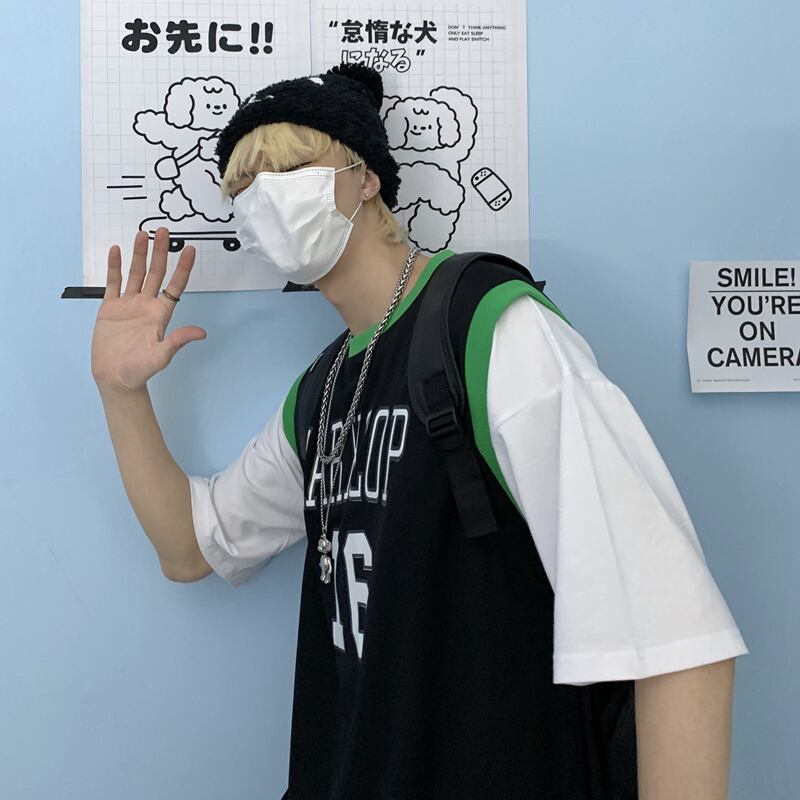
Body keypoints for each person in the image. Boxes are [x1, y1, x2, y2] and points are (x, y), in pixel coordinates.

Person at [92, 62, 749, 799]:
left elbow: (675, 637)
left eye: (290, 169)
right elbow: (191, 548)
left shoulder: (491, 329)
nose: (265, 198)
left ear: (366, 177)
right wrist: (121, 391)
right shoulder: (321, 393)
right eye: (244, 189)